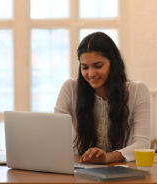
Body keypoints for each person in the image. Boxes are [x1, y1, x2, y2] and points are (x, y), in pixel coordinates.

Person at [55, 32, 151, 164]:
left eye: (98, 66)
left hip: (122, 170)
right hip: (80, 167)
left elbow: (142, 144)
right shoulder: (70, 88)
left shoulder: (138, 91)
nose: (91, 73)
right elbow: (55, 135)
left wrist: (107, 158)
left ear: (113, 63)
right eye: (85, 67)